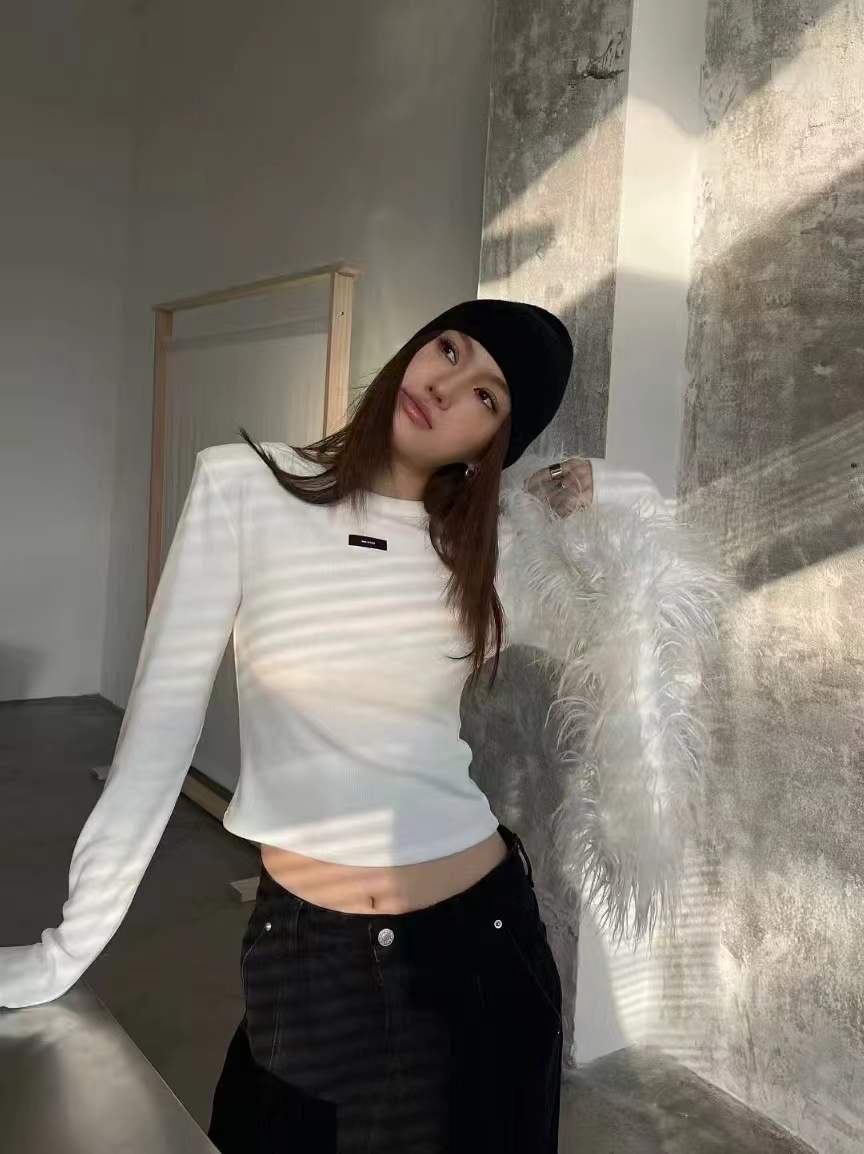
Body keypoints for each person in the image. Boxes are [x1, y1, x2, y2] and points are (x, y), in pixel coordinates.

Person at [0, 299, 726, 1152]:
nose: (446, 386)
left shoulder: (490, 556)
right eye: (448, 349)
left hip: (479, 950)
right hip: (306, 953)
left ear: (494, 443)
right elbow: (159, 732)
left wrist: (584, 484)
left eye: (486, 397)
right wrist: (67, 948)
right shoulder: (245, 485)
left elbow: (651, 553)